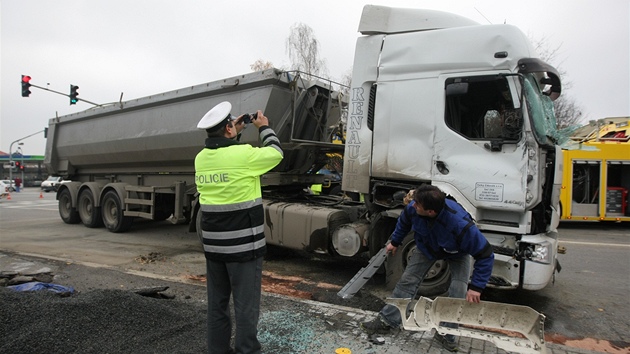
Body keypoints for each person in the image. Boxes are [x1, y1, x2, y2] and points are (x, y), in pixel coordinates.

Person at [194, 101, 283, 354]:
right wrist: (263, 127)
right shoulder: (244, 154)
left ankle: (218, 350)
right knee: (246, 307)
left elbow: (225, 153)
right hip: (244, 247)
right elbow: (276, 153)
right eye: (232, 125)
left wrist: (237, 128)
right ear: (229, 131)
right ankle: (247, 350)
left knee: (218, 304)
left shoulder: (200, 159)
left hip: (213, 246)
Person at [360, 184, 494, 352]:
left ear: (430, 211)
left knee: (458, 291)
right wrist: (395, 242)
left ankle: (447, 333)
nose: (412, 206)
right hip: (427, 248)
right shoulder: (414, 207)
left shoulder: (460, 225)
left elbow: (486, 254)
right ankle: (388, 321)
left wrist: (476, 287)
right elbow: (404, 222)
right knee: (407, 281)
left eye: (417, 205)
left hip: (458, 253)